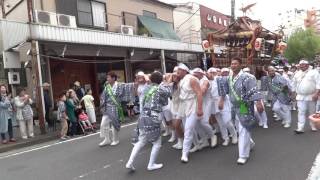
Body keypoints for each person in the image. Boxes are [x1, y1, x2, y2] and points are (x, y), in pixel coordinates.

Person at [218, 57, 264, 165]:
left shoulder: (248, 77)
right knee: (239, 127)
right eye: (232, 63)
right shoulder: (228, 77)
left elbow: (254, 90)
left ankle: (243, 155)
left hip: (243, 105)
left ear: (240, 65)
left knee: (243, 128)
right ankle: (250, 143)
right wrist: (221, 100)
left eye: (235, 63)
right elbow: (224, 90)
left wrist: (258, 102)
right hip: (233, 105)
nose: (233, 65)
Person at [126, 71, 172, 171]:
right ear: (161, 80)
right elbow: (168, 95)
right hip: (153, 117)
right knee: (157, 143)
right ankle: (151, 164)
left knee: (141, 141)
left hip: (143, 116)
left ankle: (130, 162)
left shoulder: (147, 88)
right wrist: (167, 81)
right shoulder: (161, 88)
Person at [176, 63, 203, 163]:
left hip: (192, 105)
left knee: (187, 130)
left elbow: (199, 93)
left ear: (184, 71)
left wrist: (199, 108)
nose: (177, 72)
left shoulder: (192, 79)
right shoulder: (182, 80)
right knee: (190, 128)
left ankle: (184, 154)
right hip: (183, 106)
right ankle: (197, 145)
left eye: (179, 70)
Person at [99, 71, 135, 146]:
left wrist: (136, 83)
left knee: (114, 124)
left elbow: (129, 86)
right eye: (107, 77)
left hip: (116, 107)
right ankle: (107, 139)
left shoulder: (120, 85)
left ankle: (115, 139)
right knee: (103, 124)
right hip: (107, 108)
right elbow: (103, 97)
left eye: (108, 77)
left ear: (113, 78)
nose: (107, 78)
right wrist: (102, 105)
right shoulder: (107, 87)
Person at [189, 68, 217, 152]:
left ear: (201, 74)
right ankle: (204, 141)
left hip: (206, 103)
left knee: (204, 122)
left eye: (196, 74)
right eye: (194, 74)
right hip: (197, 103)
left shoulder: (205, 81)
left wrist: (190, 91)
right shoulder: (195, 80)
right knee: (196, 123)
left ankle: (212, 136)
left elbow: (202, 91)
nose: (194, 76)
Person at [208, 67, 238, 146]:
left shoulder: (219, 79)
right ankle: (226, 138)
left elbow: (224, 90)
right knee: (221, 123)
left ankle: (234, 135)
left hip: (223, 101)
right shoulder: (207, 82)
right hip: (213, 103)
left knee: (227, 121)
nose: (211, 74)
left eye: (213, 73)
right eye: (210, 73)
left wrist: (221, 101)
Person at [292, 60, 320, 134]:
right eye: (300, 65)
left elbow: (318, 83)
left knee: (312, 112)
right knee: (301, 111)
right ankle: (300, 128)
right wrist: (293, 93)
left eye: (303, 65)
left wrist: (316, 93)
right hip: (300, 96)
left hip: (311, 95)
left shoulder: (314, 72)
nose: (301, 66)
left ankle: (313, 125)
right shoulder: (297, 73)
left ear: (307, 65)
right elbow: (294, 84)